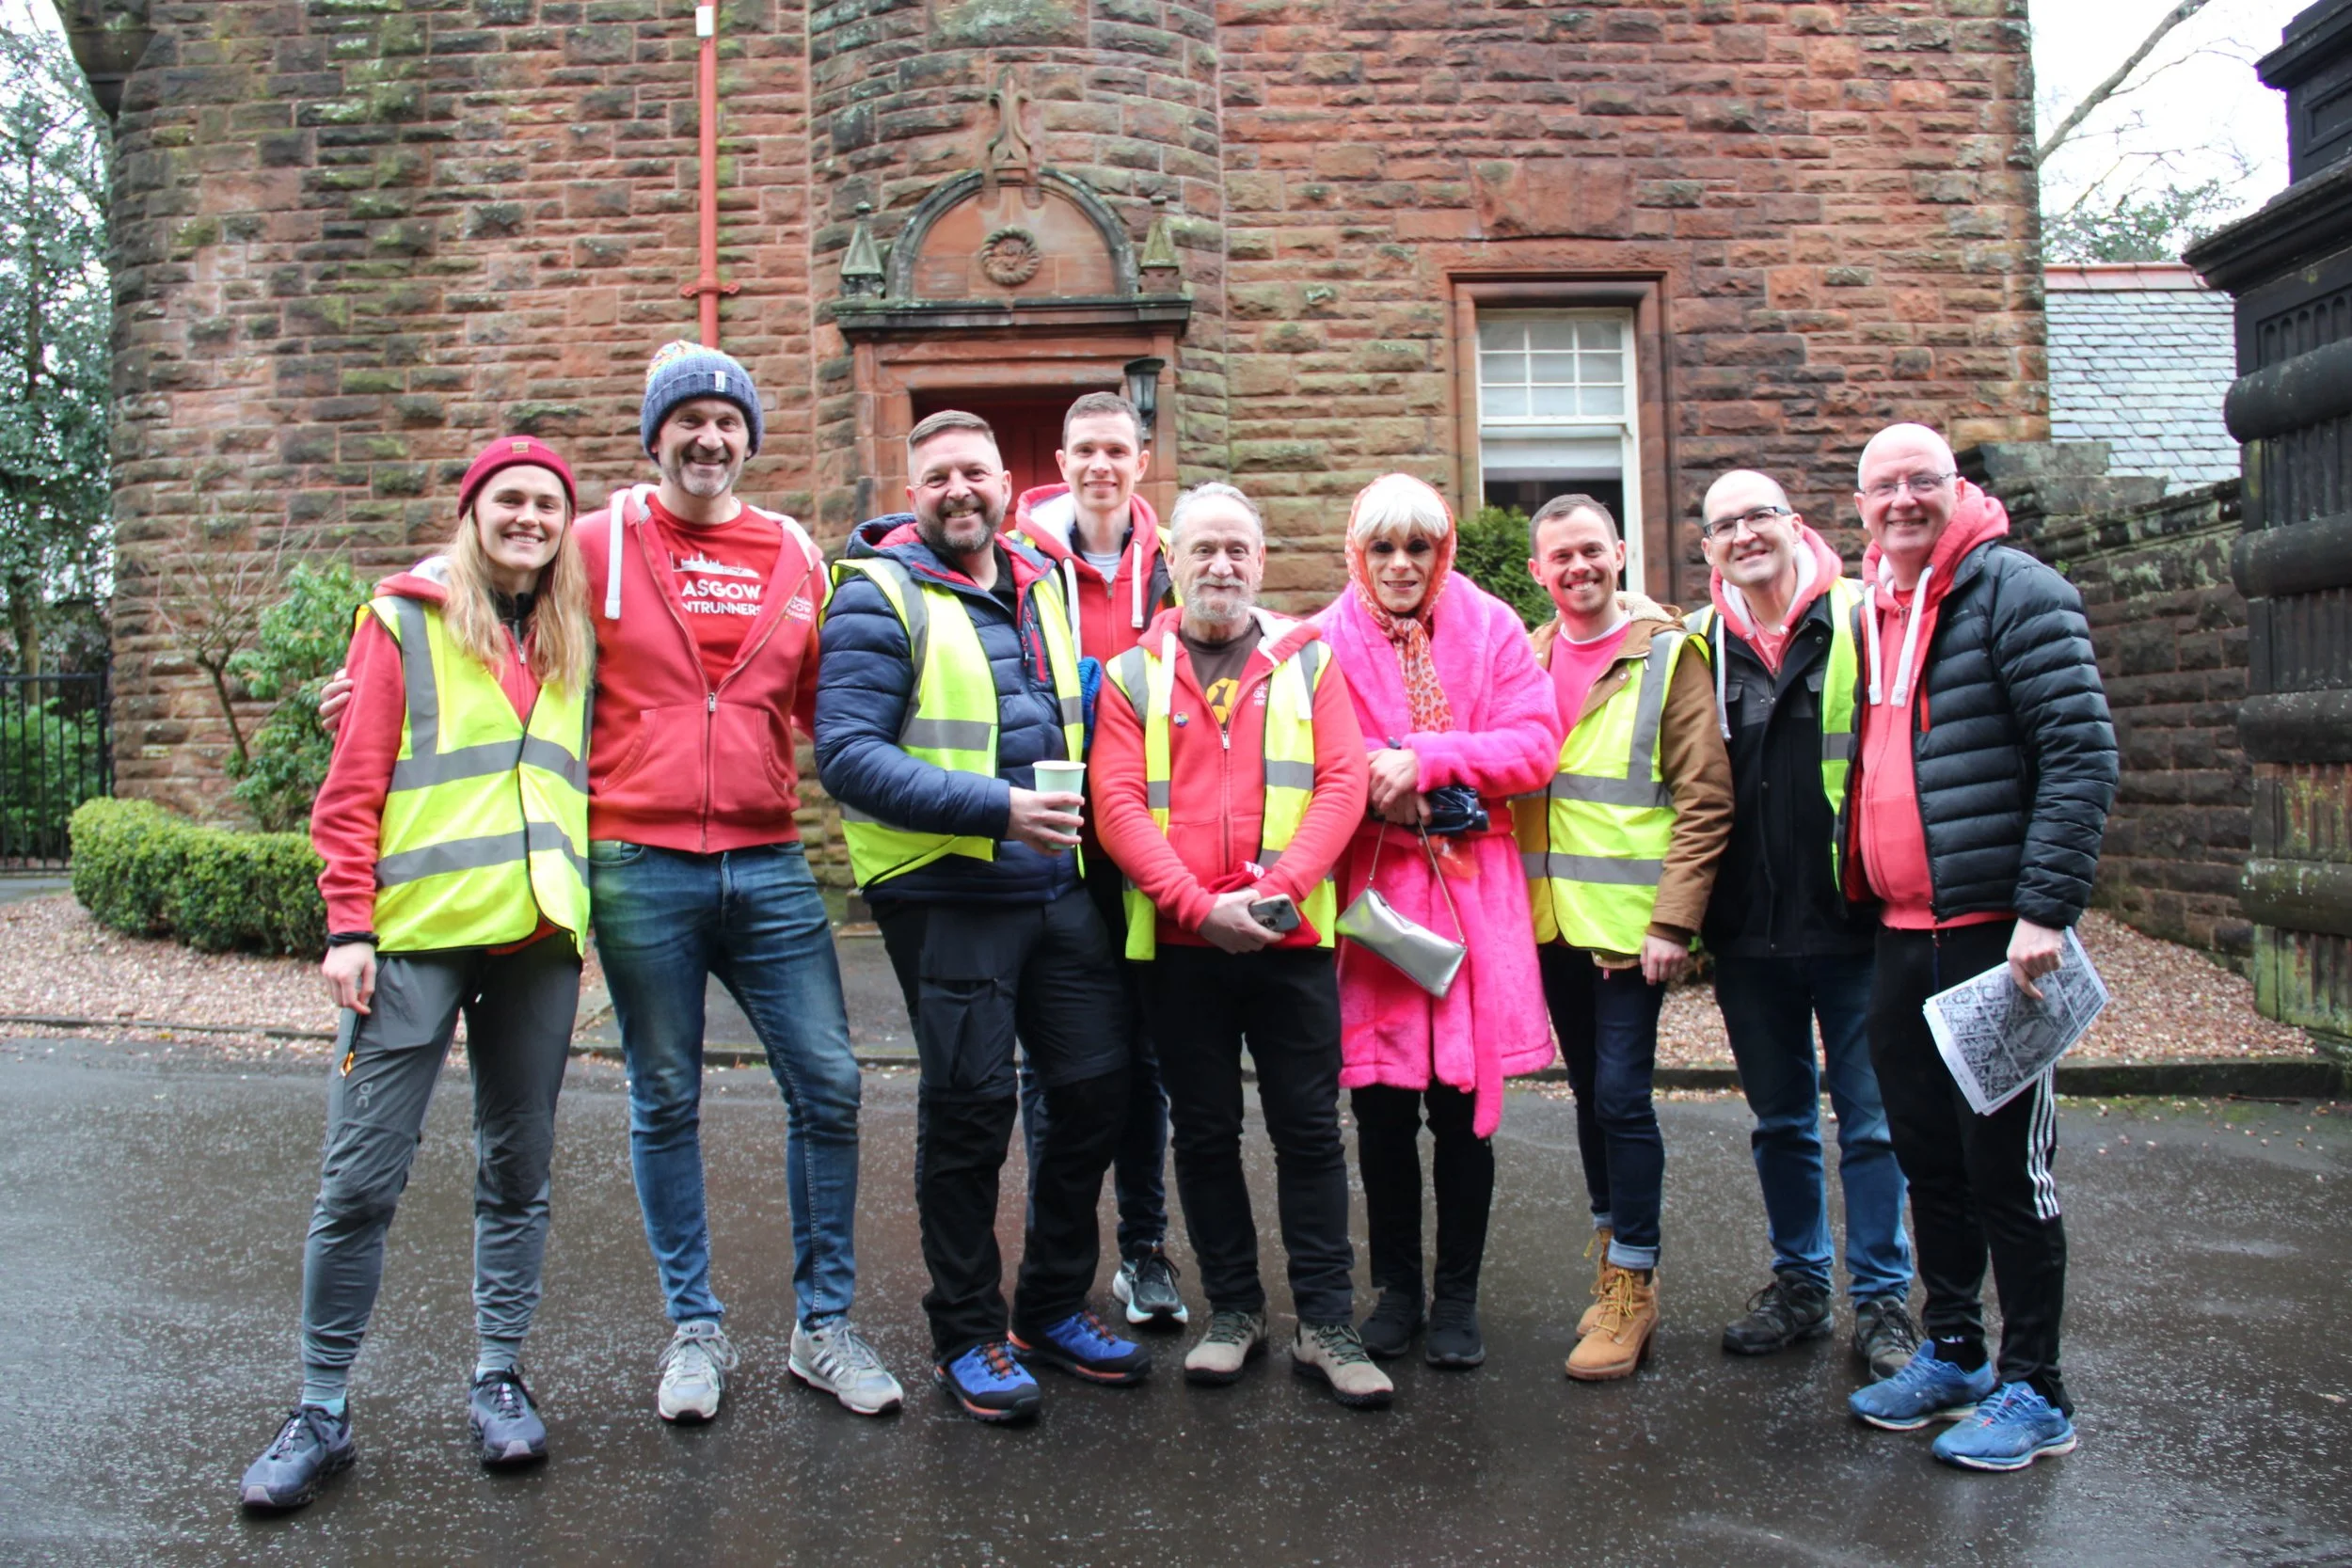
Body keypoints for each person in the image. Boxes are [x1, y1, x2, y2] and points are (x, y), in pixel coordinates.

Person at [315, 342, 897, 1428]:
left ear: (749, 440)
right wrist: (367, 674)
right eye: (689, 420)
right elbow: (480, 581)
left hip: (770, 859)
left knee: (829, 1082)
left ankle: (823, 1325)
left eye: (728, 422)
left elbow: (829, 702)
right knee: (663, 1094)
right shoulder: (593, 540)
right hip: (636, 860)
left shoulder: (794, 553)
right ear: (655, 436)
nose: (709, 438)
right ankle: (695, 1327)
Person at [241, 437, 594, 1510]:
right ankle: (320, 1407)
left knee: (517, 1170)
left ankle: (498, 1376)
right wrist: (347, 925)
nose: (529, 517)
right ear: (472, 511)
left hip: (536, 936)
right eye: (509, 499)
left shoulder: (579, 630)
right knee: (360, 1177)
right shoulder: (404, 618)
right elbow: (349, 788)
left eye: (548, 503)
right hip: (411, 936)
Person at [816, 409, 1145, 1425]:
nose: (959, 489)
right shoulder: (876, 593)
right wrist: (997, 808)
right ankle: (965, 1330)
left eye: (975, 472)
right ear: (912, 493)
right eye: (937, 477)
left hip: (1051, 883)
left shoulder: (1040, 580)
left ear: (1008, 483)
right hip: (945, 887)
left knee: (1095, 1089)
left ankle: (1048, 1306)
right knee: (969, 1113)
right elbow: (848, 755)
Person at [1841, 423, 2116, 1472]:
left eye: (1923, 480)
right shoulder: (1874, 606)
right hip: (1900, 935)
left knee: (2008, 1166)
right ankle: (1954, 1348)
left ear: (1956, 489)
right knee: (1929, 1157)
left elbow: (2079, 750)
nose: (1903, 499)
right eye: (1883, 486)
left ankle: (2036, 1387)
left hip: (1997, 940)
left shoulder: (2016, 591)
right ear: (1860, 505)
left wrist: (2043, 909)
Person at [1091, 482, 1391, 1409]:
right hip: (1182, 947)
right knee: (1205, 1129)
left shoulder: (1310, 659)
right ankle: (1233, 1311)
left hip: (1289, 940)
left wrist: (1279, 892)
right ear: (1171, 562)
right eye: (1203, 549)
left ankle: (1326, 1322)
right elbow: (1116, 805)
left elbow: (1342, 783)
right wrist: (1194, 906)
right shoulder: (1129, 674)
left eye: (1237, 550)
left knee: (1308, 1130)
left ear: (1260, 562)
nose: (1220, 565)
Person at [1311, 474, 1560, 1370]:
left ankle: (1456, 1297)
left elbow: (1536, 743)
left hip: (1469, 902)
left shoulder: (1492, 627)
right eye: (1382, 547)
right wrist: (1376, 783)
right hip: (1376, 908)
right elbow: (1304, 756)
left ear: (1442, 549)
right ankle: (1397, 1293)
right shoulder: (1323, 639)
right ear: (1358, 552)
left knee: (1462, 1118)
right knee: (1380, 1114)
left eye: (1418, 546)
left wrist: (1427, 758)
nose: (1401, 564)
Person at [1685, 469, 1919, 1379]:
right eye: (1725, 525)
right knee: (1780, 1121)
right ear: (1707, 548)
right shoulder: (1698, 645)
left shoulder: (1864, 618)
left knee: (1873, 1124)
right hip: (1749, 931)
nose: (1745, 534)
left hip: (1856, 920)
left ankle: (1884, 1298)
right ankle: (1800, 1285)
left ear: (1794, 523)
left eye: (1760, 516)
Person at [1516, 494, 1732, 1383]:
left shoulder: (1669, 655)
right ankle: (1613, 1263)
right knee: (1587, 1096)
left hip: (1630, 930)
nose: (1578, 568)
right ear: (1539, 572)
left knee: (1620, 1097)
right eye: (1560, 557)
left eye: (1591, 551)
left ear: (1620, 554)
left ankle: (1634, 1285)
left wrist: (1675, 920)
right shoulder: (1525, 656)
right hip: (1550, 923)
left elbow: (1705, 796)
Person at [1004, 390, 1185, 1327]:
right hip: (1056, 839)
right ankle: (1055, 1256)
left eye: (1117, 449)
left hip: (1150, 838)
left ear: (1140, 459)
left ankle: (1144, 1249)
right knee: (1055, 1063)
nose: (1101, 465)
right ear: (1062, 461)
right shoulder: (1018, 561)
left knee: (1145, 1056)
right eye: (1085, 450)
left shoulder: (1179, 561)